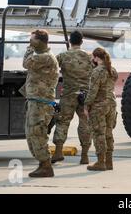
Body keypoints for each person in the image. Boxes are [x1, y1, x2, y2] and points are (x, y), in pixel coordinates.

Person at [20, 30, 59, 177]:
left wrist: (29, 50)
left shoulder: (46, 57)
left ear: (41, 41)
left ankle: (46, 166)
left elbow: (26, 63)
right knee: (31, 133)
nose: (30, 42)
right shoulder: (41, 56)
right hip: (36, 100)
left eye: (32, 40)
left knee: (37, 133)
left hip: (41, 103)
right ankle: (43, 164)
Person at [52, 31, 93, 165]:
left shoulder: (63, 56)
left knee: (62, 122)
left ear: (70, 41)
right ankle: (85, 155)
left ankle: (58, 152)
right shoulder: (90, 57)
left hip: (69, 94)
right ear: (81, 41)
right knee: (85, 123)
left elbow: (51, 69)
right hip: (85, 95)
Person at [85, 48, 118, 171]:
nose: (93, 60)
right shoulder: (112, 71)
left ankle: (100, 162)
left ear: (96, 58)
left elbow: (93, 91)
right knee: (108, 133)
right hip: (111, 104)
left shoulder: (97, 72)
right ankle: (109, 162)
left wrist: (86, 106)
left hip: (99, 105)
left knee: (99, 133)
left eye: (93, 58)